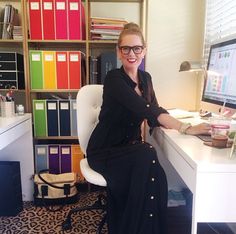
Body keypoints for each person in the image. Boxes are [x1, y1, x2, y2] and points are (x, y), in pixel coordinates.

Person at [86, 22, 210, 234]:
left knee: (155, 172)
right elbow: (145, 109)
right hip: (104, 150)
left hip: (129, 150)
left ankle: (149, 228)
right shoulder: (114, 78)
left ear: (144, 50)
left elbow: (155, 113)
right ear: (118, 51)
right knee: (147, 153)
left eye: (137, 48)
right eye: (126, 48)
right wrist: (186, 128)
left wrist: (181, 123)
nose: (131, 54)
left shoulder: (146, 78)